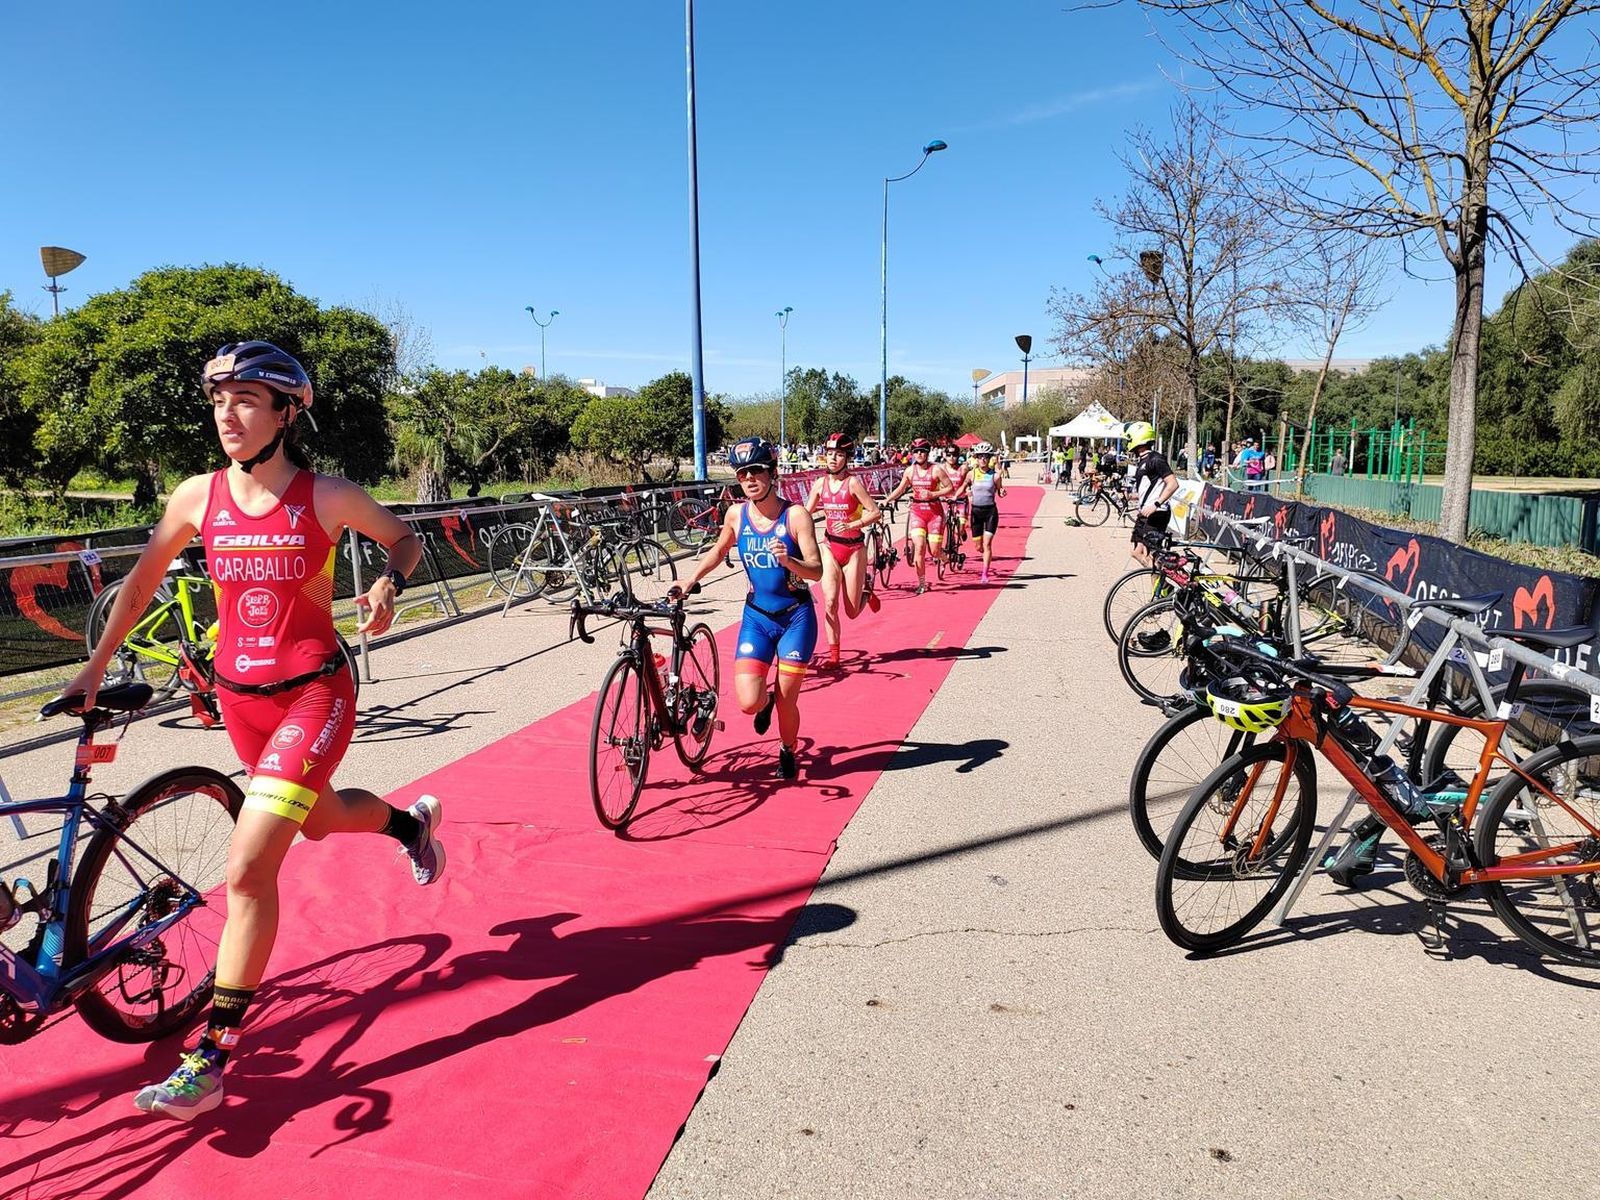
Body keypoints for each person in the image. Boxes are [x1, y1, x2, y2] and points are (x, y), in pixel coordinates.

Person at [59, 342, 438, 1121]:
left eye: (246, 401)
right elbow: (141, 581)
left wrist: (388, 587)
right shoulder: (197, 495)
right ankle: (408, 824)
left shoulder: (326, 495)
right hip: (238, 699)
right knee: (321, 821)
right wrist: (95, 665)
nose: (227, 416)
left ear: (286, 413)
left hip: (314, 694)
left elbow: (407, 539)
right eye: (218, 400)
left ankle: (212, 1060)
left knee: (247, 869)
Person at [682, 437, 823, 780]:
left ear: (772, 473)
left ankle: (787, 750)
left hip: (796, 619)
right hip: (757, 618)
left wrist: (790, 560)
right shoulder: (736, 514)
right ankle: (766, 702)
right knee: (748, 703)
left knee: (788, 699)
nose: (748, 479)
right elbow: (718, 551)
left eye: (756, 471)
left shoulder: (796, 516)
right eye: (742, 473)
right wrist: (687, 581)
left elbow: (817, 571)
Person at [804, 432, 883, 669]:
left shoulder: (854, 483)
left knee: (851, 611)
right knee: (829, 602)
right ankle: (834, 657)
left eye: (839, 455)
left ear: (847, 458)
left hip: (854, 550)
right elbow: (805, 514)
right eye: (829, 454)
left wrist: (852, 524)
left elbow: (875, 512)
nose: (833, 459)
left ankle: (865, 593)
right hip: (830, 547)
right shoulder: (820, 484)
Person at [880, 437, 955, 595]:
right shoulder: (909, 471)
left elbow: (950, 488)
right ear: (912, 454)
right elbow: (900, 489)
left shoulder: (936, 470)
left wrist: (933, 493)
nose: (919, 454)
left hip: (935, 513)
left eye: (922, 451)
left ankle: (943, 557)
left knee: (934, 551)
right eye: (916, 451)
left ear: (927, 453)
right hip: (917, 513)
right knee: (919, 548)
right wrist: (887, 500)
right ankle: (922, 583)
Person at [1125, 421, 1177, 565]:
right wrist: (1129, 496)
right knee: (1137, 552)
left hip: (1157, 513)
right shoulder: (1142, 460)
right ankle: (1163, 582)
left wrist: (1155, 504)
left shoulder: (1156, 459)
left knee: (1152, 556)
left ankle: (1163, 584)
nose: (1128, 442)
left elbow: (1173, 484)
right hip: (1145, 513)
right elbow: (1150, 488)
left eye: (1129, 438)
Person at [962, 443, 1006, 583]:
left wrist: (1002, 492)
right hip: (975, 512)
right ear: (976, 458)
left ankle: (985, 574)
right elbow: (963, 488)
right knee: (978, 546)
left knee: (987, 545)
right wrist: (956, 496)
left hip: (990, 512)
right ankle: (983, 553)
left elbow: (1000, 491)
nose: (983, 459)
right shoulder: (971, 474)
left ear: (989, 459)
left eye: (985, 457)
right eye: (980, 457)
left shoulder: (996, 476)